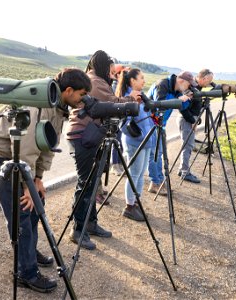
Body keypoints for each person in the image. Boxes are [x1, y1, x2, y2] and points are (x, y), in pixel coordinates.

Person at [0, 68, 91, 293]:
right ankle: (25, 272)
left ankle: (28, 251)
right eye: (81, 94)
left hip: (19, 156)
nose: (83, 100)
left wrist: (37, 179)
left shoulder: (58, 105)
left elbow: (47, 142)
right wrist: (26, 185)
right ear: (68, 90)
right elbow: (27, 145)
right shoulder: (39, 101)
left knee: (36, 204)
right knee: (21, 211)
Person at [65, 50, 141, 250]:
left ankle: (90, 224)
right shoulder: (95, 81)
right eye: (110, 68)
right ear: (102, 66)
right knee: (86, 183)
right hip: (84, 136)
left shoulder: (96, 79)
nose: (112, 72)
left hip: (90, 135)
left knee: (91, 183)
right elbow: (112, 103)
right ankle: (78, 229)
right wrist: (131, 99)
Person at [146, 71, 196, 194]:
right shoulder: (162, 85)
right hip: (149, 123)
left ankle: (159, 182)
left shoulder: (176, 89)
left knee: (160, 153)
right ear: (181, 81)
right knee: (155, 154)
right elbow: (159, 105)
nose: (189, 88)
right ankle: (155, 183)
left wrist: (187, 99)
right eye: (189, 85)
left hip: (160, 124)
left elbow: (182, 107)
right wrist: (178, 99)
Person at [116, 68, 150, 222]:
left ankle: (136, 202)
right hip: (135, 142)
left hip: (146, 141)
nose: (144, 81)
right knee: (133, 174)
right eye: (141, 78)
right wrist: (138, 135)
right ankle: (129, 207)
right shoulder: (127, 98)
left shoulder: (142, 97)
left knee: (141, 174)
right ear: (132, 81)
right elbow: (123, 124)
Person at [177, 69, 214, 183]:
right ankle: (185, 172)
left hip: (190, 120)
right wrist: (192, 120)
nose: (210, 83)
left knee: (188, 145)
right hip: (186, 120)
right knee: (188, 146)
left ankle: (182, 169)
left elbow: (195, 105)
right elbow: (182, 107)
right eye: (209, 80)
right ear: (203, 78)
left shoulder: (198, 88)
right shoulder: (191, 88)